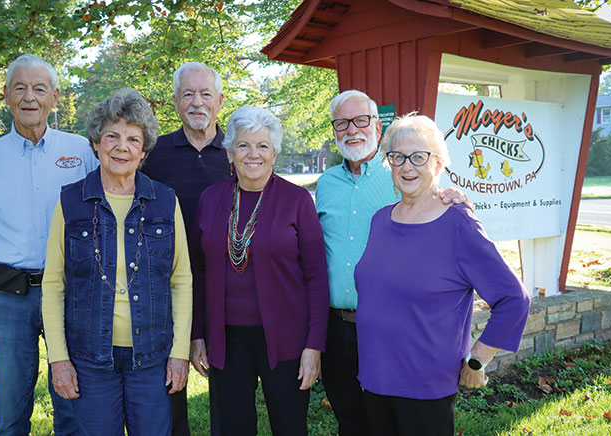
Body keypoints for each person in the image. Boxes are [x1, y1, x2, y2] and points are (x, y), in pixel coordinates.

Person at [354, 113, 531, 436]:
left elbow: (513, 299)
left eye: (419, 157)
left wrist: (477, 360)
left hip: (424, 388)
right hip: (375, 378)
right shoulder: (381, 220)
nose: (408, 166)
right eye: (397, 157)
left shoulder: (457, 223)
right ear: (388, 163)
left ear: (438, 164)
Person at [41, 88, 192, 435]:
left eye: (133, 139)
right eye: (112, 136)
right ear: (96, 142)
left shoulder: (165, 201)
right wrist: (59, 359)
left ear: (144, 150)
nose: (121, 147)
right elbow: (53, 285)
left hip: (152, 358)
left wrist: (179, 352)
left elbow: (181, 281)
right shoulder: (71, 202)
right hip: (90, 360)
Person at [315, 90, 467, 436]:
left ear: (377, 126)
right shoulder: (325, 184)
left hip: (388, 327)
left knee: (391, 423)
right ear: (334, 130)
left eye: (361, 120)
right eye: (342, 122)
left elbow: (439, 204)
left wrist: (458, 196)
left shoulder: (400, 174)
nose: (352, 129)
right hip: (336, 327)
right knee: (350, 420)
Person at [0, 53, 96, 436]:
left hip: (70, 295)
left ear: (55, 96)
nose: (29, 97)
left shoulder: (81, 152)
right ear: (5, 95)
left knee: (74, 408)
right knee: (10, 412)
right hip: (6, 300)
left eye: (39, 88)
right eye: (19, 87)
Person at [190, 106, 329, 436]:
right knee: (234, 427)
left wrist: (314, 347)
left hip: (287, 338)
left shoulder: (297, 201)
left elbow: (316, 278)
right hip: (225, 339)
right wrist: (196, 335)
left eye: (263, 146)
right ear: (229, 153)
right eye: (243, 145)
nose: (253, 154)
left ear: (275, 153)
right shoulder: (211, 199)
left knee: (289, 426)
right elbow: (198, 273)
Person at [141, 61, 231, 436]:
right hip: (166, 288)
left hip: (228, 287)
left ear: (219, 101)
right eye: (188, 94)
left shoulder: (238, 152)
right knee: (169, 389)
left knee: (228, 393)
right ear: (176, 102)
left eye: (205, 94)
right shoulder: (154, 155)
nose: (197, 102)